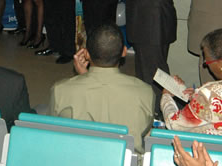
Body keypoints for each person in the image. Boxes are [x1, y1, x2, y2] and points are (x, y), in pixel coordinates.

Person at [48, 23, 153, 152]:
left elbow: (53, 129)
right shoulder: (145, 92)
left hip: (75, 163)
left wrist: (84, 76)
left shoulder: (61, 90)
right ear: (124, 52)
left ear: (86, 54)